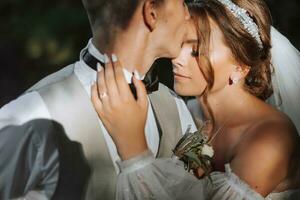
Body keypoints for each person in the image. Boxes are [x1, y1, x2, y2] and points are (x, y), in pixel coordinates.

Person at [92, 0, 300, 199]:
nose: (177, 59)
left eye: (195, 50)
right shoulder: (196, 121)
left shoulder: (271, 136)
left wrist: (133, 148)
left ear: (240, 67)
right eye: (180, 43)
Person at [0, 0, 196, 199]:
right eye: (182, 3)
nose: (188, 14)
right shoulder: (31, 117)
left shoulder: (175, 107)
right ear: (151, 12)